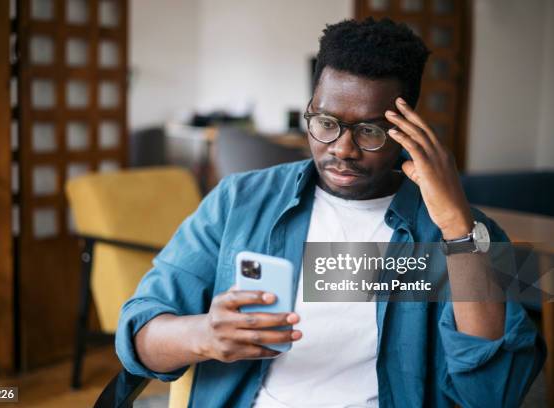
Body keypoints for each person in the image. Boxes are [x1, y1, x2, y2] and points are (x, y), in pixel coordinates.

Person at [116, 18, 545, 407]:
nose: (342, 148)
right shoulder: (239, 202)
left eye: (370, 130)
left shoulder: (464, 233)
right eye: (325, 122)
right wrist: (204, 335)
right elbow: (138, 334)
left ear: (407, 130)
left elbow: (492, 393)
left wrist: (457, 229)